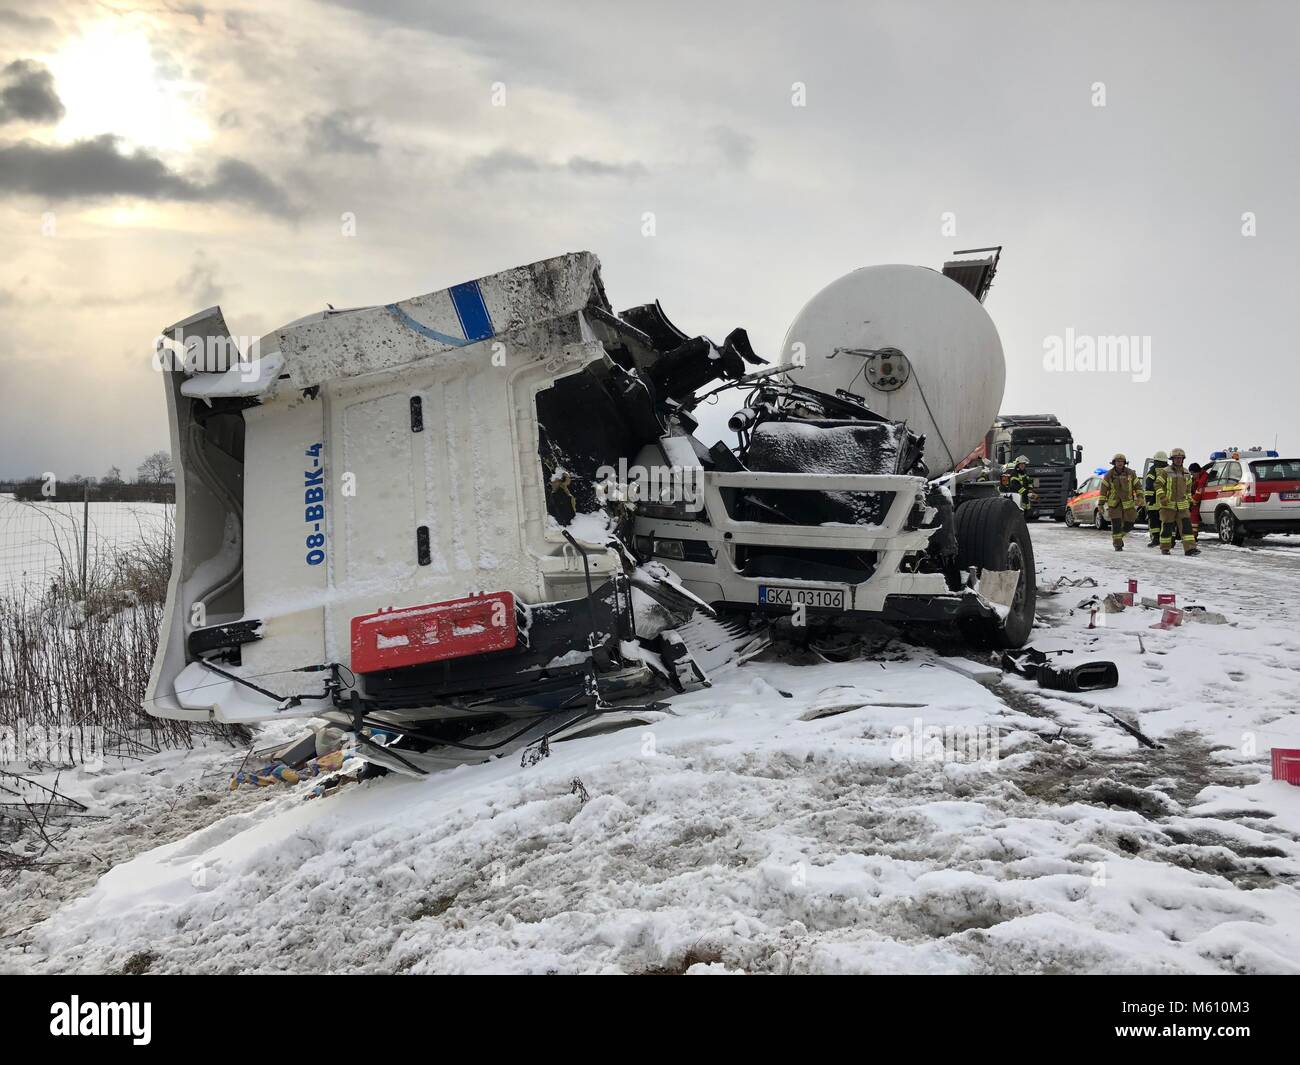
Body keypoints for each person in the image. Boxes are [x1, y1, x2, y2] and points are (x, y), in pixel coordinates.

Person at [1154, 447, 1200, 556]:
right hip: (1168, 505)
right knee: (1167, 529)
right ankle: (1165, 548)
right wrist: (1162, 497)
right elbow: (1157, 484)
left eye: (1180, 458)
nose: (1178, 460)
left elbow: (1188, 489)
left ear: (1183, 459)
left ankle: (1190, 549)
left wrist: (1190, 499)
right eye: (1176, 458)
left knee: (1187, 529)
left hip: (1182, 506)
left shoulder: (1187, 473)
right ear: (1172, 459)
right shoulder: (1165, 471)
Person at [1100, 453, 1141, 550]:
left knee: (1130, 524)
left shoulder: (1131, 473)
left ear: (1124, 463)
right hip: (1114, 504)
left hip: (1128, 504)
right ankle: (1117, 545)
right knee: (1116, 525)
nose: (1119, 463)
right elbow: (1103, 491)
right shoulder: (1109, 475)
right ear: (1114, 463)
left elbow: (1138, 487)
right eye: (1117, 461)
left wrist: (1140, 497)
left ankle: (1118, 538)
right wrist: (1100, 504)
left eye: (1121, 461)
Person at [1144, 451, 1168, 547]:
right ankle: (1167, 540)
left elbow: (1149, 486)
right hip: (1166, 501)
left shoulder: (1153, 471)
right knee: (1166, 522)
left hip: (1154, 502)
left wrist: (1148, 500)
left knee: (1154, 522)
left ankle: (1156, 539)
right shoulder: (1169, 470)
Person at [1188, 461, 1211, 541]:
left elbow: (1199, 492)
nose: (1192, 475)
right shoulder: (1198, 477)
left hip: (1202, 499)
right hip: (1200, 498)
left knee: (1194, 513)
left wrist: (1192, 501)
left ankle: (1193, 535)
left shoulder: (1203, 478)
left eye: (1192, 473)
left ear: (1196, 471)